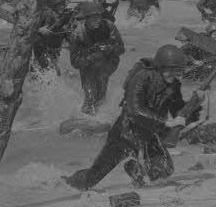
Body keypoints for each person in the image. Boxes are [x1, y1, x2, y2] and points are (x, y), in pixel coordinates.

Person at [65, 44, 204, 191]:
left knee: (163, 172)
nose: (173, 74)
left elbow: (178, 114)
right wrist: (166, 123)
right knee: (90, 180)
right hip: (124, 136)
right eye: (169, 69)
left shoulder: (174, 85)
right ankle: (68, 181)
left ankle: (134, 168)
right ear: (160, 67)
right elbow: (135, 111)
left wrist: (195, 104)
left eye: (177, 70)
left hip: (150, 136)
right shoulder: (142, 78)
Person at [67, 0, 126, 117]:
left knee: (100, 95)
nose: (97, 20)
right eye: (93, 17)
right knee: (90, 98)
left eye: (99, 16)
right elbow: (74, 62)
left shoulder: (109, 26)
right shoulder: (77, 34)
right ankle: (84, 119)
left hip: (107, 64)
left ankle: (96, 119)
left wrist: (108, 48)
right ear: (86, 18)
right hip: (88, 66)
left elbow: (121, 49)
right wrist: (93, 55)